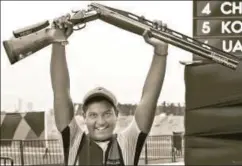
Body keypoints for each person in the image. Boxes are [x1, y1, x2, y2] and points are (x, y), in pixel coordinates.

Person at [50, 14, 169, 166]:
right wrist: (57, 41)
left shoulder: (127, 143)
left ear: (117, 114)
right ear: (83, 116)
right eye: (93, 115)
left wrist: (160, 51)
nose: (100, 121)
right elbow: (60, 91)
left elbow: (149, 97)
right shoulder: (74, 141)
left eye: (107, 113)